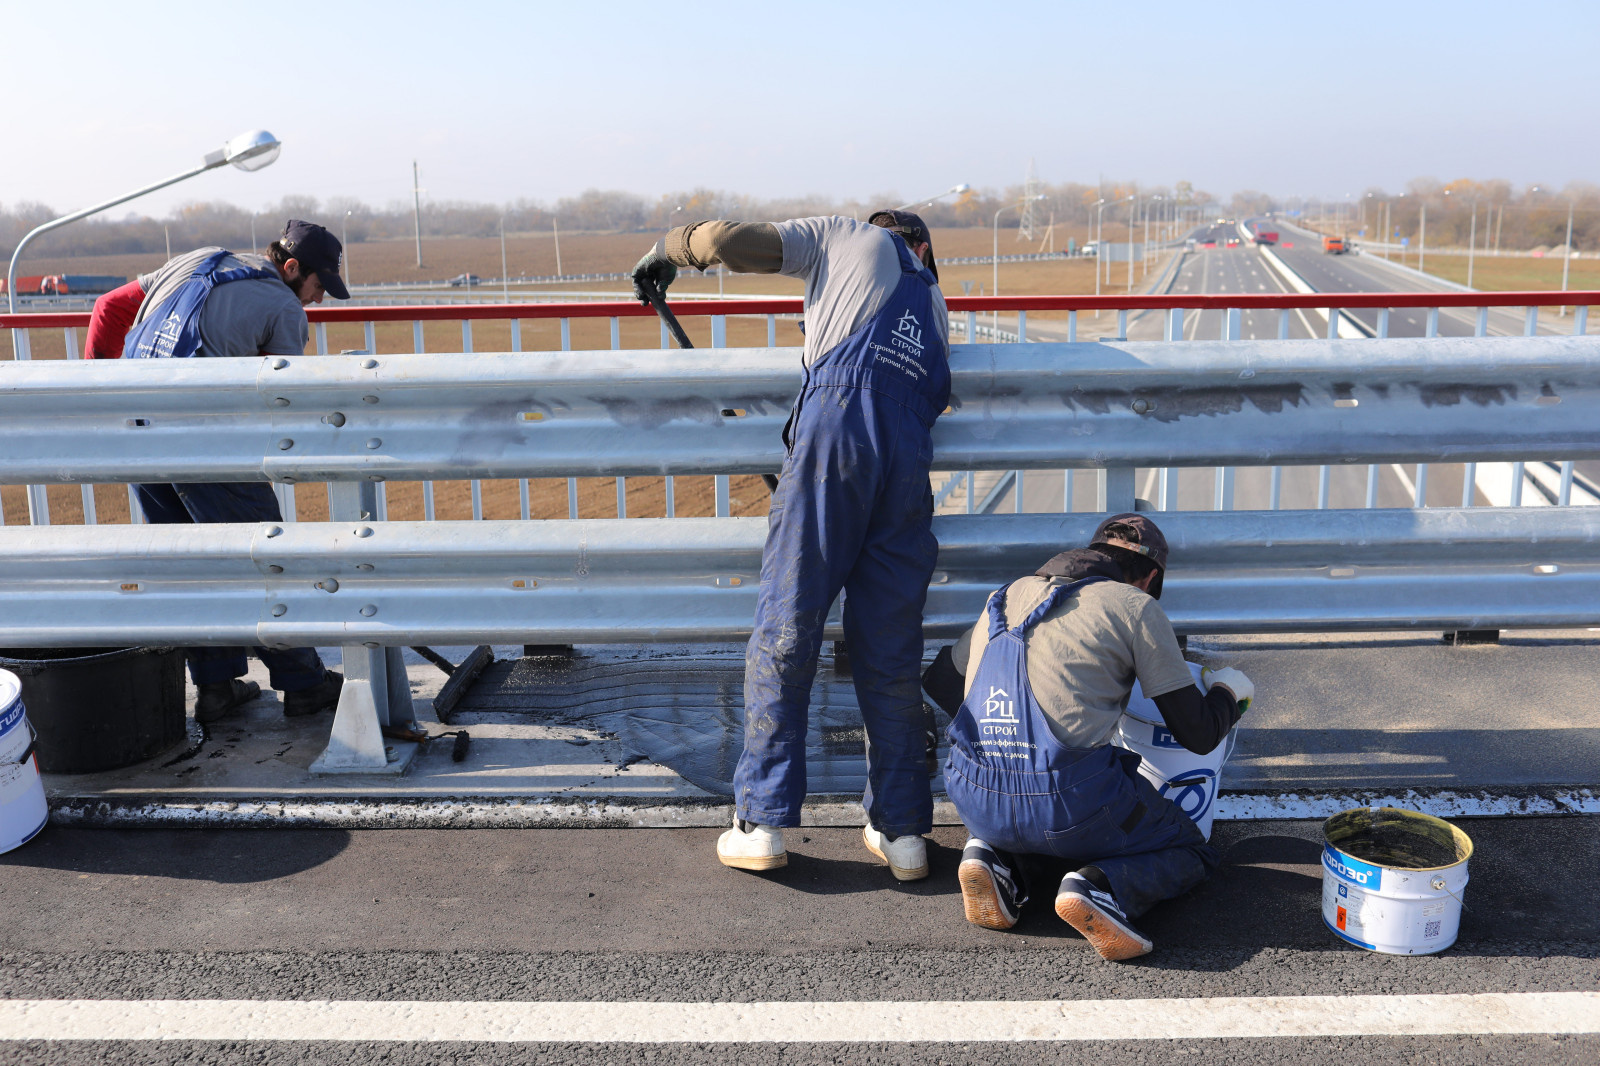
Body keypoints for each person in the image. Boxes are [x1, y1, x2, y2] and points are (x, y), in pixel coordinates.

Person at [632, 212, 950, 879]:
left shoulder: (849, 236)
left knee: (787, 625)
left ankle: (763, 821)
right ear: (927, 250)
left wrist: (670, 249)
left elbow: (721, 240)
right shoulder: (936, 310)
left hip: (836, 443)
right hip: (907, 473)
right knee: (889, 654)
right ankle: (904, 835)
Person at [921, 513, 1254, 960]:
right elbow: (1198, 733)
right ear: (1150, 578)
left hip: (974, 795)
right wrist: (1229, 695)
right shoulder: (1133, 606)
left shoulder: (1005, 596)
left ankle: (995, 857)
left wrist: (1011, 744)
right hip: (1071, 802)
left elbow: (942, 680)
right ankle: (1099, 888)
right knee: (1189, 846)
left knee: (1044, 824)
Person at [84, 220, 351, 723]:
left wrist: (102, 401)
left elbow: (108, 308)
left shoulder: (198, 256)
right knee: (264, 558)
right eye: (319, 287)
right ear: (292, 268)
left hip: (136, 435)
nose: (316, 300)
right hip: (205, 441)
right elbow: (281, 404)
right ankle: (305, 684)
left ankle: (216, 687)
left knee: (189, 567)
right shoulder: (284, 308)